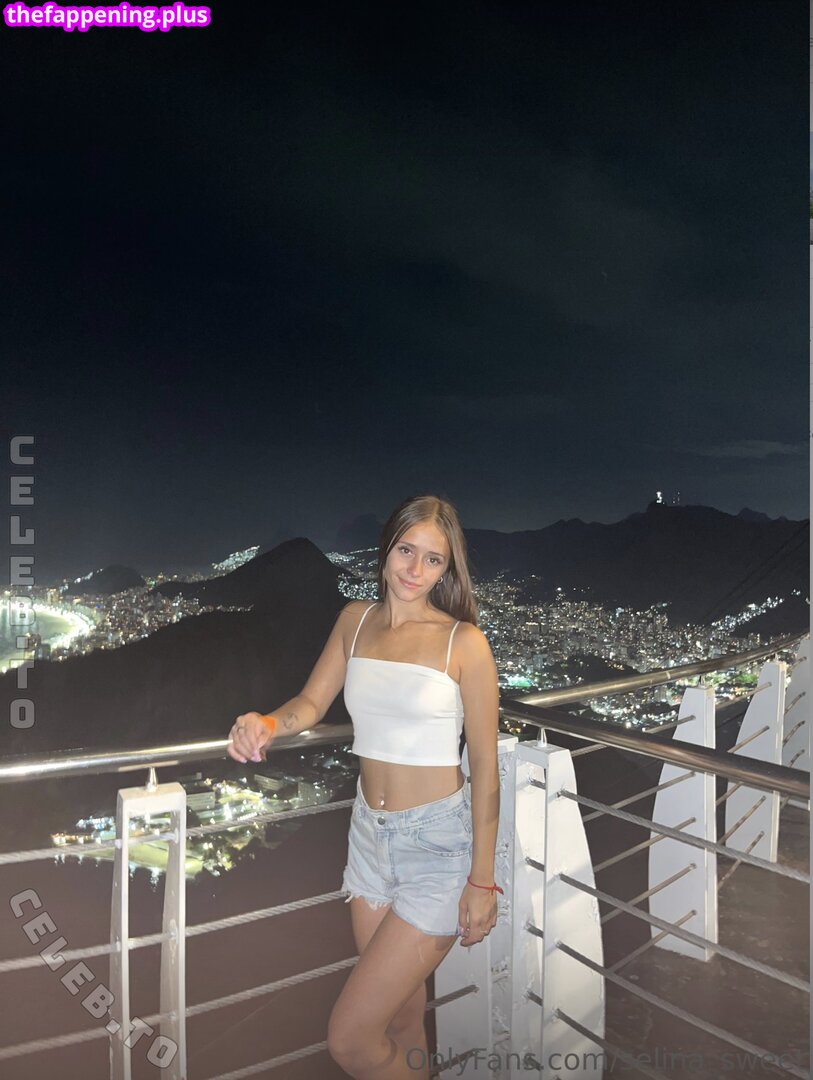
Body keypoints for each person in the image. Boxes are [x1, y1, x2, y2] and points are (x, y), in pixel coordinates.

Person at [227, 494, 501, 1080]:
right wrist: (268, 722)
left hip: (438, 850)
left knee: (350, 1040)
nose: (415, 569)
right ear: (386, 549)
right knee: (401, 1019)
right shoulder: (354, 621)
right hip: (369, 841)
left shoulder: (464, 643)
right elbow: (311, 702)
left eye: (433, 560)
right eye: (406, 550)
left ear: (447, 570)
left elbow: (485, 766)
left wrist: (482, 881)